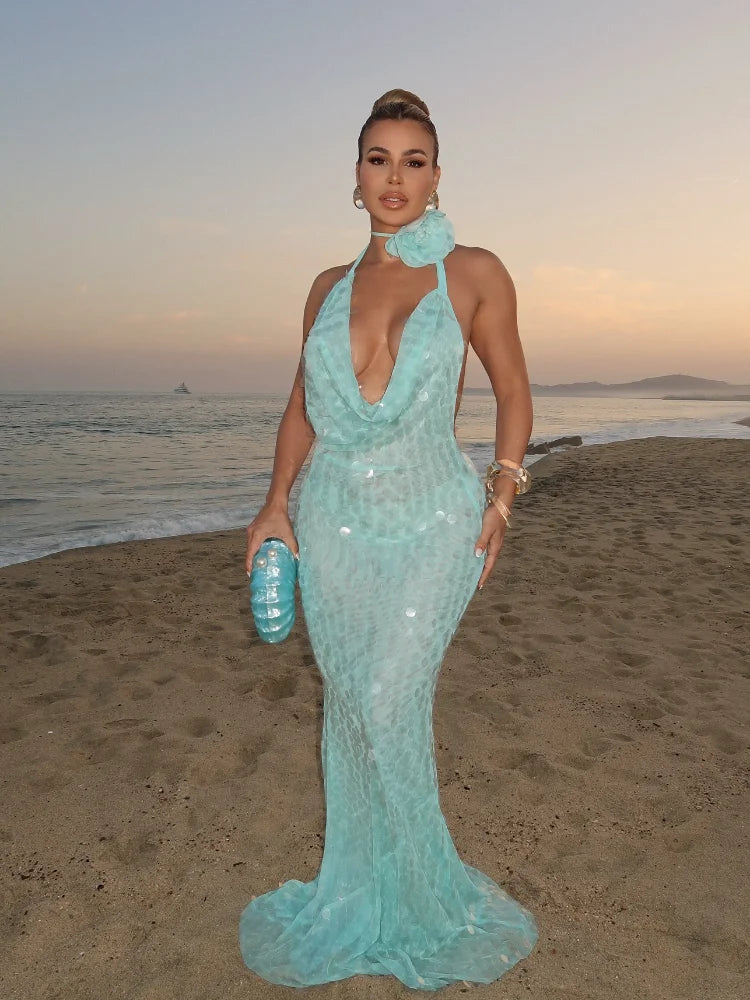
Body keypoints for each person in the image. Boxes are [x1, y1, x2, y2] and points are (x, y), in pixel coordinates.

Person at [239, 88, 538, 991]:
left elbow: (515, 392)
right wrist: (274, 503)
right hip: (330, 523)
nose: (395, 177)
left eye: (413, 161)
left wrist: (503, 491)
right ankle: (366, 891)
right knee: (350, 712)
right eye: (379, 159)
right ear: (356, 176)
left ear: (437, 176)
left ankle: (428, 898)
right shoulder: (326, 289)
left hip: (435, 519)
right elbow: (301, 409)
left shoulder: (474, 272)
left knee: (384, 696)